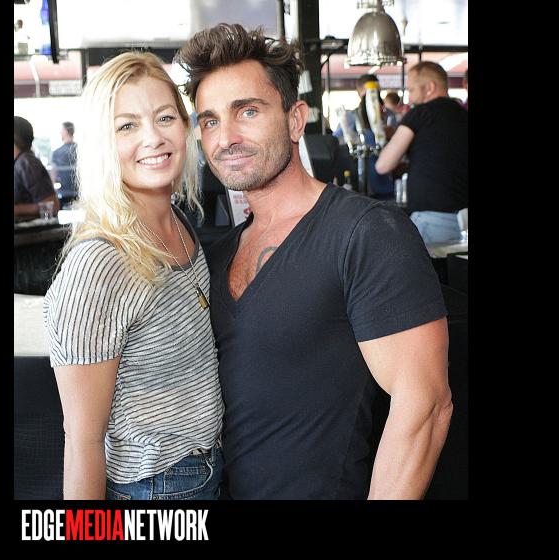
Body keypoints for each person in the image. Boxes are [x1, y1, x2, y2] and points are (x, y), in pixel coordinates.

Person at [175, 23, 453, 500]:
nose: (226, 138)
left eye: (247, 111)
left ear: (295, 119)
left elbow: (425, 406)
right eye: (210, 121)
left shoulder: (365, 233)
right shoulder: (217, 255)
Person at [43, 51, 224, 500]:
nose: (153, 138)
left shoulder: (179, 223)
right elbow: (82, 442)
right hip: (155, 488)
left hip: (205, 468)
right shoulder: (100, 263)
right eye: (127, 126)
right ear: (102, 143)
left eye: (164, 117)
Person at [376, 61, 468, 243]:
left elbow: (383, 165)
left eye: (411, 90)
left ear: (429, 88)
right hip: (463, 219)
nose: (409, 98)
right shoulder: (464, 115)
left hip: (431, 219)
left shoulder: (420, 114)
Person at [334, 74, 397, 199]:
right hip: (361, 178)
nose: (373, 98)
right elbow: (336, 142)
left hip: (386, 181)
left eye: (376, 92)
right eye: (369, 94)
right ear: (360, 93)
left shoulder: (389, 115)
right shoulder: (352, 117)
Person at [14, 116, 60, 218]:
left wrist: (17, 209)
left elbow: (52, 206)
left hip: (32, 228)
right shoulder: (20, 162)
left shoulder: (26, 163)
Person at [50, 121, 78, 205]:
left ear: (65, 131)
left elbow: (53, 175)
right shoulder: (80, 150)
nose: (60, 132)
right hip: (80, 194)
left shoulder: (56, 153)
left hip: (63, 195)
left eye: (61, 130)